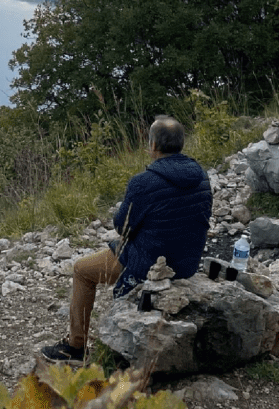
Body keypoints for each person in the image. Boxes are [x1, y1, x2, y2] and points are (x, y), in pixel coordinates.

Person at [41, 115, 212, 363]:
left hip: (149, 265)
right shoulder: (202, 177)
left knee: (81, 270)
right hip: (187, 263)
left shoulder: (143, 182)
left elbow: (122, 227)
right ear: (181, 144)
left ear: (152, 145)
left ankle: (75, 347)